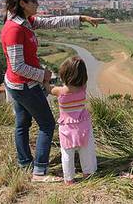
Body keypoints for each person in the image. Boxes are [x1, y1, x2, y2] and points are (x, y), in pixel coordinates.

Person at [0, 0, 103, 182]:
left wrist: (82, 18)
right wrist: (43, 74)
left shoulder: (24, 22)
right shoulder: (14, 29)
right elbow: (17, 66)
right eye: (34, 0)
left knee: (22, 123)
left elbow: (53, 22)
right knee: (47, 124)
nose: (38, 3)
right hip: (24, 85)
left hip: (16, 84)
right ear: (22, 3)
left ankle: (24, 163)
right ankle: (39, 171)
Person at [44, 57, 97, 185]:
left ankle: (69, 178)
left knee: (67, 153)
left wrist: (46, 81)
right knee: (86, 150)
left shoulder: (60, 92)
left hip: (67, 128)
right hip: (83, 124)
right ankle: (88, 173)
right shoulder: (83, 88)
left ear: (64, 75)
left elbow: (48, 88)